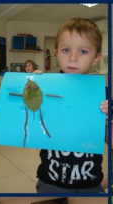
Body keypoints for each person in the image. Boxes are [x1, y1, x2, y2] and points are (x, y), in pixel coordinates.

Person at [35, 18, 108, 193]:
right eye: (66, 50)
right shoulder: (45, 87)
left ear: (96, 58)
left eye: (83, 51)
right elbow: (32, 128)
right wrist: (31, 89)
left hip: (90, 182)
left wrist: (105, 121)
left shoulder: (102, 94)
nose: (73, 58)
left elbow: (109, 140)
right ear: (56, 53)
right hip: (50, 181)